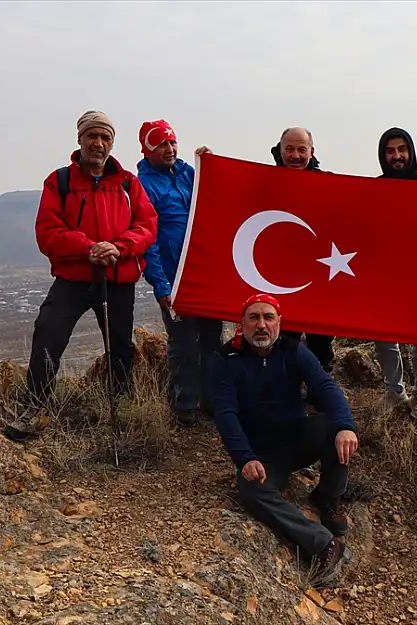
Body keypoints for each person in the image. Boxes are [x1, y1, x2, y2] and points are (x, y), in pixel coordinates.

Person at [5, 110, 158, 442]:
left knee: (121, 347)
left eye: (105, 137)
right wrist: (88, 246)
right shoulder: (59, 181)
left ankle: (122, 408)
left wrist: (118, 247)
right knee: (48, 333)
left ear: (112, 143)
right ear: (80, 139)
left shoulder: (129, 183)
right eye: (92, 136)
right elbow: (47, 232)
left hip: (116, 278)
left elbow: (147, 226)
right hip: (74, 277)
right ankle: (35, 408)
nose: (98, 144)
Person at [209, 293, 357, 584]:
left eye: (268, 317)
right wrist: (245, 458)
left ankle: (327, 499)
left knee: (335, 430)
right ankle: (324, 544)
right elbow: (225, 414)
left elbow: (326, 387)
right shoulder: (225, 359)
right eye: (254, 317)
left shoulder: (294, 351)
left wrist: (345, 426)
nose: (261, 325)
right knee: (251, 491)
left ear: (279, 322)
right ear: (242, 323)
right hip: (263, 452)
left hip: (297, 436)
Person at [137, 120, 224, 427]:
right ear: (147, 149)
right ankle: (183, 404)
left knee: (213, 339)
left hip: (205, 275)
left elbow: (213, 186)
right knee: (183, 342)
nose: (170, 149)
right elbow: (149, 242)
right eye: (161, 144)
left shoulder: (187, 172)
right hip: (175, 280)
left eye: (172, 143)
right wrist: (161, 285)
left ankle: (214, 400)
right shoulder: (144, 185)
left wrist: (209, 160)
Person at [372, 127, 417, 422]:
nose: (397, 156)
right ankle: (394, 391)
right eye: (390, 151)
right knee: (384, 338)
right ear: (382, 155)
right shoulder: (374, 189)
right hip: (385, 277)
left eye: (402, 149)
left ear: (410, 152)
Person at [269, 127, 336, 373]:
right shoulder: (266, 181)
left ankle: (321, 398)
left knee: (321, 344)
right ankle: (287, 397)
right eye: (290, 149)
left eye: (301, 149)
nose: (295, 155)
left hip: (320, 276)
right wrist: (209, 162)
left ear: (312, 151)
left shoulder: (328, 182)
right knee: (285, 342)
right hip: (280, 279)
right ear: (280, 149)